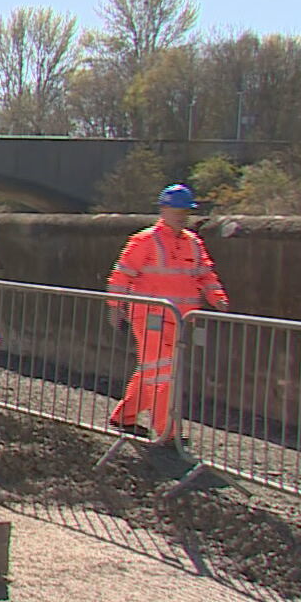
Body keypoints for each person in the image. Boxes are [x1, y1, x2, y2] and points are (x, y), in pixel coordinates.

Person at [105, 183, 230, 444]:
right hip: (149, 317)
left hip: (180, 319)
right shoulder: (145, 240)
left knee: (152, 371)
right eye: (177, 210)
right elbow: (121, 275)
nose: (182, 215)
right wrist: (115, 307)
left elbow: (204, 274)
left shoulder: (193, 243)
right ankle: (166, 431)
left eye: (186, 211)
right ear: (164, 210)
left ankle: (125, 417)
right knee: (163, 374)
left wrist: (218, 298)